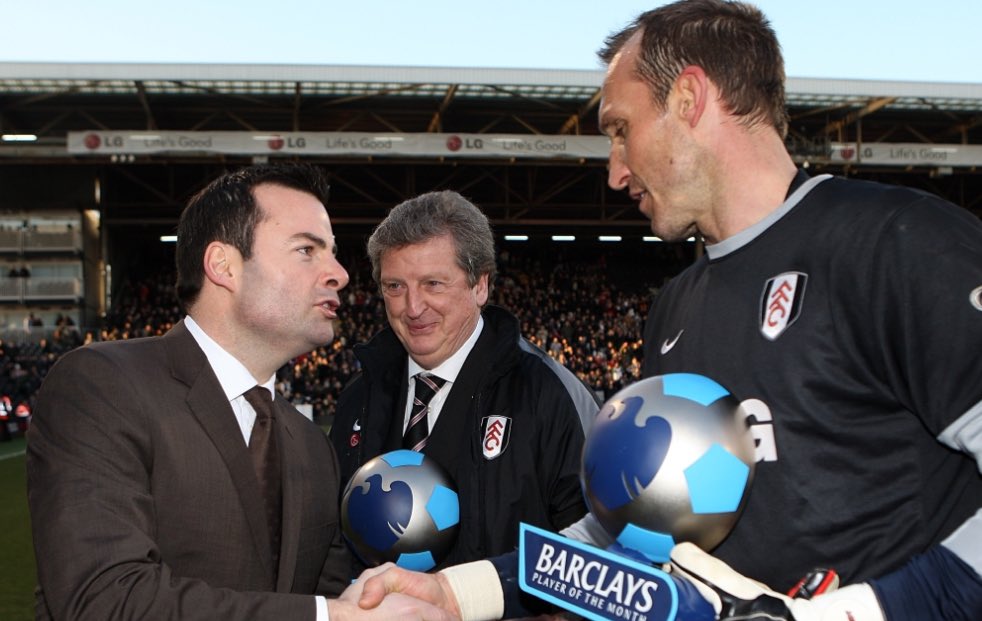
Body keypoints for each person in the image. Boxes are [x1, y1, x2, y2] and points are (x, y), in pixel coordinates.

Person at [355, 1, 982, 620]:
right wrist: (458, 594)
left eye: (621, 130)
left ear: (689, 99)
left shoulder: (901, 245)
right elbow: (628, 535)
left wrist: (850, 613)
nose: (614, 172)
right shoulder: (677, 308)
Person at [27, 163, 454, 621]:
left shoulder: (312, 447)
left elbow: (330, 596)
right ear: (223, 266)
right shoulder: (103, 386)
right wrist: (332, 618)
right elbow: (104, 600)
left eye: (332, 252)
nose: (340, 274)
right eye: (307, 250)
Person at [330, 190, 598, 572]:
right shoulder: (358, 399)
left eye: (433, 284)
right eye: (395, 286)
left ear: (480, 286)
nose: (413, 307)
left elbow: (595, 547)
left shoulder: (548, 393)